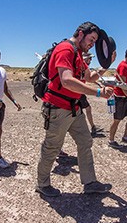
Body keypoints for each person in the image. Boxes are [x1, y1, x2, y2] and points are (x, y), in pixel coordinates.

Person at [35, 21, 114, 197]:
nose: (92, 44)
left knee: (85, 142)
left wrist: (106, 65)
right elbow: (67, 80)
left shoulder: (78, 54)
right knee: (52, 147)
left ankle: (90, 182)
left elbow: (90, 77)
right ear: (80, 33)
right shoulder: (66, 49)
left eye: (95, 42)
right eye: (91, 39)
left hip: (74, 108)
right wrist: (99, 93)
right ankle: (42, 184)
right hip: (58, 108)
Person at [79, 51, 107, 136]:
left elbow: (89, 78)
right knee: (87, 109)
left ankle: (91, 127)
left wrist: (98, 84)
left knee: (86, 109)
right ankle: (91, 128)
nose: (91, 60)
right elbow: (88, 78)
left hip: (79, 92)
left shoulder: (84, 66)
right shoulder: (81, 66)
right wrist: (99, 91)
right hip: (78, 92)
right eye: (90, 58)